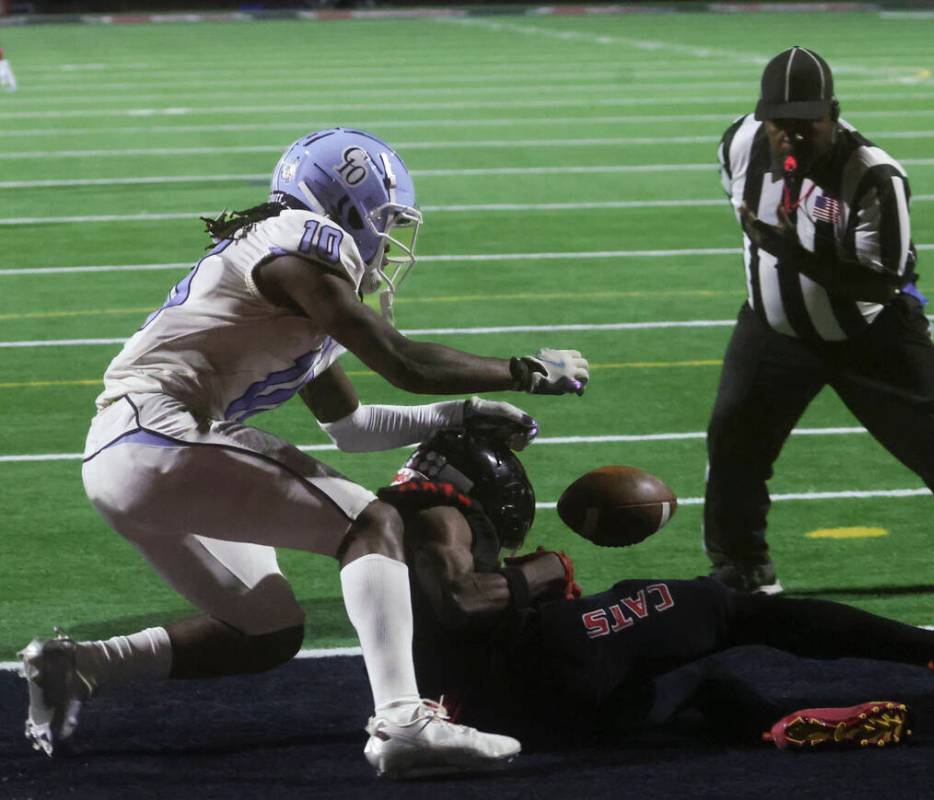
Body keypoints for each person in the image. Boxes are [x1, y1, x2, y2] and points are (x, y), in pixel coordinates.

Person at [19, 127, 590, 779]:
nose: (390, 233)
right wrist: (520, 369)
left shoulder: (292, 282)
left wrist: (462, 412)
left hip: (132, 457)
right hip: (160, 432)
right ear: (343, 205)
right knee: (370, 524)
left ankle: (81, 665)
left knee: (266, 629)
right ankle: (404, 722)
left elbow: (351, 425)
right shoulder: (300, 242)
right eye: (384, 216)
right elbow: (402, 362)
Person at [381, 427, 934, 751]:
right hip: (539, 668)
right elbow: (462, 601)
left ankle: (777, 728)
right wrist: (544, 569)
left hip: (510, 714)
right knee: (723, 606)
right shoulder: (436, 512)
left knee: (700, 677)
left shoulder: (384, 525)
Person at [706, 46, 934, 598]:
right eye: (783, 124)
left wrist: (789, 251)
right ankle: (741, 564)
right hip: (773, 330)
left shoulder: (875, 176)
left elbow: (878, 283)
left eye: (810, 124)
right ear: (763, 117)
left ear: (834, 114)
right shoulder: (739, 142)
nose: (794, 137)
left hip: (871, 334)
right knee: (733, 441)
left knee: (933, 446)